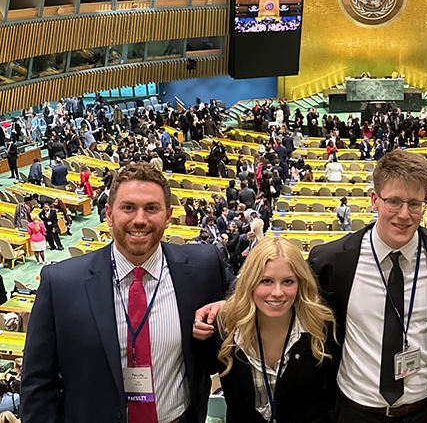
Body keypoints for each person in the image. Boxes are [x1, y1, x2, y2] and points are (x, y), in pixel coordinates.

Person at [22, 162, 233, 422]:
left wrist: (228, 305)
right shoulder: (61, 284)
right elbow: (37, 385)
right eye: (128, 208)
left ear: (168, 215)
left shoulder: (203, 268)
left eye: (151, 208)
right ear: (109, 214)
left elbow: (256, 293)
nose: (140, 219)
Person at [303, 149, 427, 422]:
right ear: (374, 200)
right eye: (393, 202)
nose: (404, 215)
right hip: (354, 411)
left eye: (415, 204)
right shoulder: (331, 262)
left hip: (425, 411)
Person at [214, 237, 336, 422]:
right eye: (266, 281)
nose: (277, 293)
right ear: (250, 282)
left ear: (300, 283)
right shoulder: (225, 328)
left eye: (288, 282)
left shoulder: (321, 328)